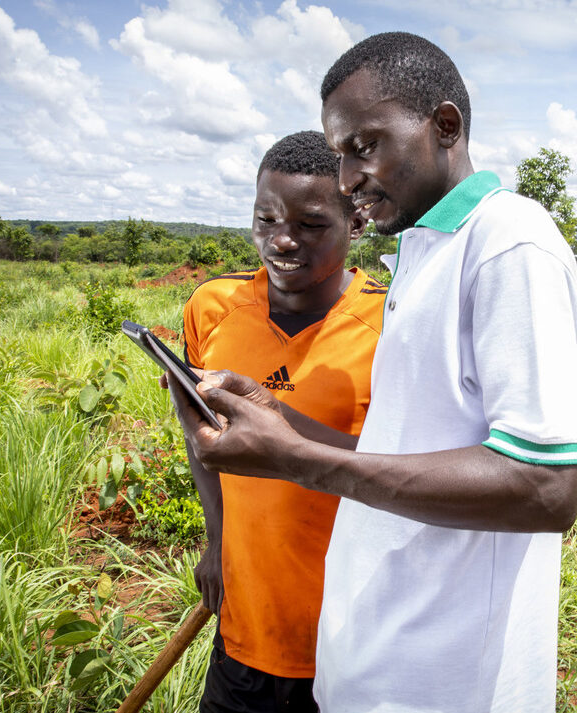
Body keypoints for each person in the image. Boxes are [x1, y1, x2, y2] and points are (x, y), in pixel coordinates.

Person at [170, 32, 577, 712]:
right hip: (370, 673)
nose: (345, 179)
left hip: (443, 688)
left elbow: (545, 487)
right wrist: (279, 424)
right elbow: (404, 456)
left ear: (444, 126)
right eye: (339, 155)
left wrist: (301, 463)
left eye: (364, 146)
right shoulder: (421, 256)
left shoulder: (508, 242)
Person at [181, 130, 383, 713]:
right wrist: (217, 541)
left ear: (358, 222)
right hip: (245, 625)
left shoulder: (391, 328)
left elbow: (406, 474)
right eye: (265, 219)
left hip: (350, 640)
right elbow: (200, 432)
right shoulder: (213, 309)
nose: (282, 241)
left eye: (311, 225)